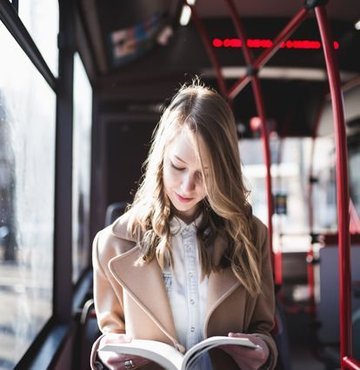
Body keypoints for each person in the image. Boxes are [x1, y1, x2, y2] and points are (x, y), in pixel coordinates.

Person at [90, 80, 278, 370]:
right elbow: (111, 335)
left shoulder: (253, 235)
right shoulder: (110, 244)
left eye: (205, 173)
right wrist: (106, 353)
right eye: (178, 167)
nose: (187, 187)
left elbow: (263, 329)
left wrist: (263, 351)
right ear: (161, 157)